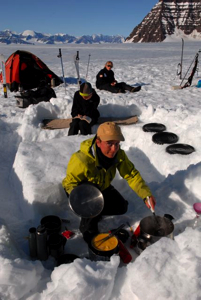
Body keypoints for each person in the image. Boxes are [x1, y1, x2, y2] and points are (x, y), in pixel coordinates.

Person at [63, 122, 156, 243]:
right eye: (109, 143)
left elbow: (131, 174)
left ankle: (97, 211)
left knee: (121, 207)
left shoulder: (119, 155)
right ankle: (87, 225)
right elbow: (69, 184)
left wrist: (146, 195)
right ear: (98, 142)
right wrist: (82, 204)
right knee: (90, 230)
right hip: (81, 193)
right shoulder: (82, 160)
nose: (114, 149)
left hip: (102, 188)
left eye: (117, 144)